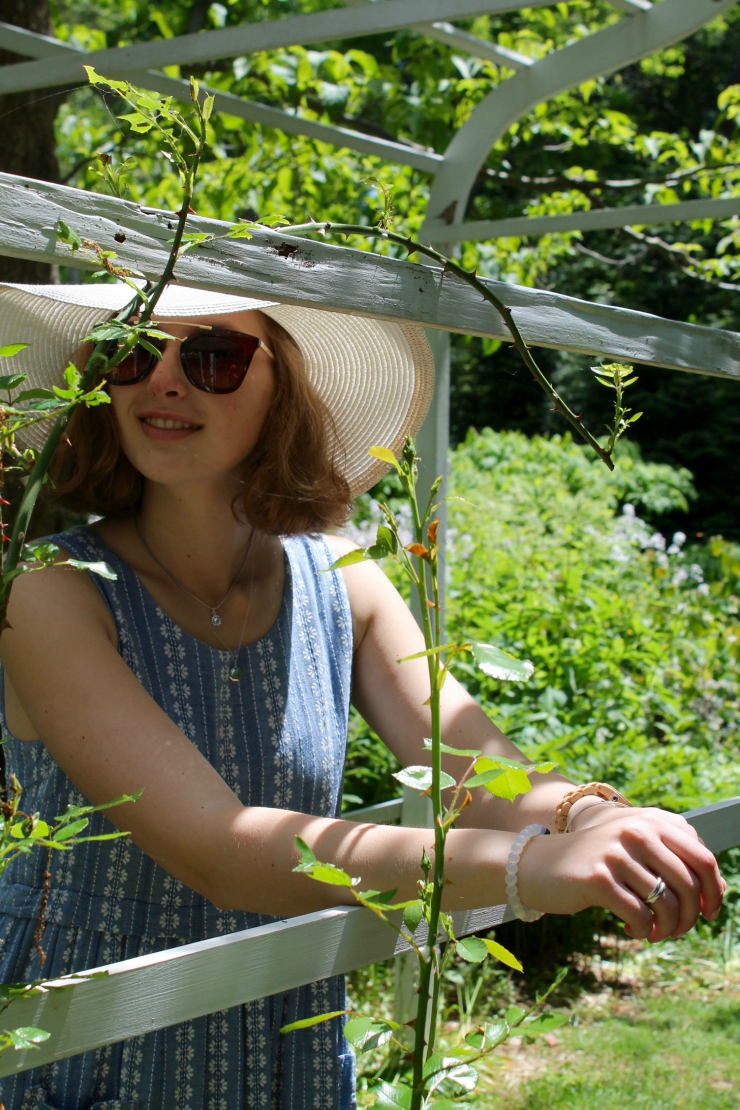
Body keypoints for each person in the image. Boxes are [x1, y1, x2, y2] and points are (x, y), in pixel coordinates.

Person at [0, 282, 725, 1110]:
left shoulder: (336, 575)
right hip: (94, 1032)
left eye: (212, 358)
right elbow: (219, 851)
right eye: (129, 351)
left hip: (286, 1023)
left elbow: (476, 770)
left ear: (287, 389)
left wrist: (586, 817)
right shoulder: (51, 590)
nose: (162, 381)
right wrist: (533, 866)